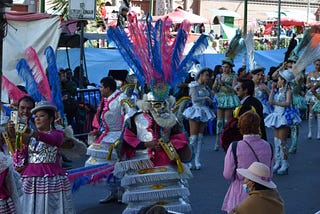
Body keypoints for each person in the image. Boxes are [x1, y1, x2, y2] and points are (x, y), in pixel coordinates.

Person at [20, 101, 75, 213]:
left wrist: (31, 133)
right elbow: (22, 153)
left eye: (42, 116)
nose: (37, 119)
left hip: (50, 179)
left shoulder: (57, 134)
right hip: (30, 179)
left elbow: (50, 140)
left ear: (50, 119)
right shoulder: (31, 137)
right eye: (36, 117)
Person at [86, 76, 134, 203]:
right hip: (108, 135)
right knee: (105, 165)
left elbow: (129, 116)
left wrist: (125, 136)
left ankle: (125, 192)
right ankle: (113, 191)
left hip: (119, 136)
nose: (100, 89)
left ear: (108, 88)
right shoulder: (107, 100)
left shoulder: (121, 98)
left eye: (101, 87)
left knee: (120, 165)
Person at [222, 111, 273, 213]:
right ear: (258, 125)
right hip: (263, 192)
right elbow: (269, 174)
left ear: (240, 126)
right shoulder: (268, 146)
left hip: (241, 191)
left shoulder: (235, 146)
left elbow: (227, 175)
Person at [265, 69, 301, 175]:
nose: (278, 80)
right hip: (276, 115)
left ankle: (285, 163)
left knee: (282, 142)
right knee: (276, 141)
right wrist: (272, 89)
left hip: (283, 116)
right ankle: (277, 161)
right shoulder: (278, 90)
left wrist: (275, 102)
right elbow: (270, 101)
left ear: (284, 81)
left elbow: (288, 103)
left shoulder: (288, 91)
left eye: (280, 79)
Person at [183, 68, 215, 170]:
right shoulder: (194, 85)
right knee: (193, 138)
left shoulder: (205, 87)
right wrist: (206, 98)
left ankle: (197, 160)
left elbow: (210, 96)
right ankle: (189, 160)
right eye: (206, 75)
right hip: (195, 111)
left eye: (209, 76)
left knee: (200, 137)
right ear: (200, 75)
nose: (208, 77)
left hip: (204, 111)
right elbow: (194, 99)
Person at [212, 57, 240, 151]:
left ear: (230, 67)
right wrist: (218, 84)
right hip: (220, 98)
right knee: (219, 122)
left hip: (229, 98)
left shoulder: (233, 76)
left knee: (227, 121)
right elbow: (213, 88)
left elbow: (234, 89)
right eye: (223, 67)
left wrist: (225, 84)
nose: (225, 69)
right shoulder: (219, 76)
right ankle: (217, 141)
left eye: (227, 67)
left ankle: (227, 140)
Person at [305, 59, 320, 140]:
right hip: (311, 94)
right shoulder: (310, 73)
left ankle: (319, 133)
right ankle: (310, 132)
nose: (318, 66)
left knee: (319, 114)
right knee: (311, 114)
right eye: (317, 64)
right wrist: (309, 85)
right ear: (314, 64)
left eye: (319, 65)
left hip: (319, 95)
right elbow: (306, 85)